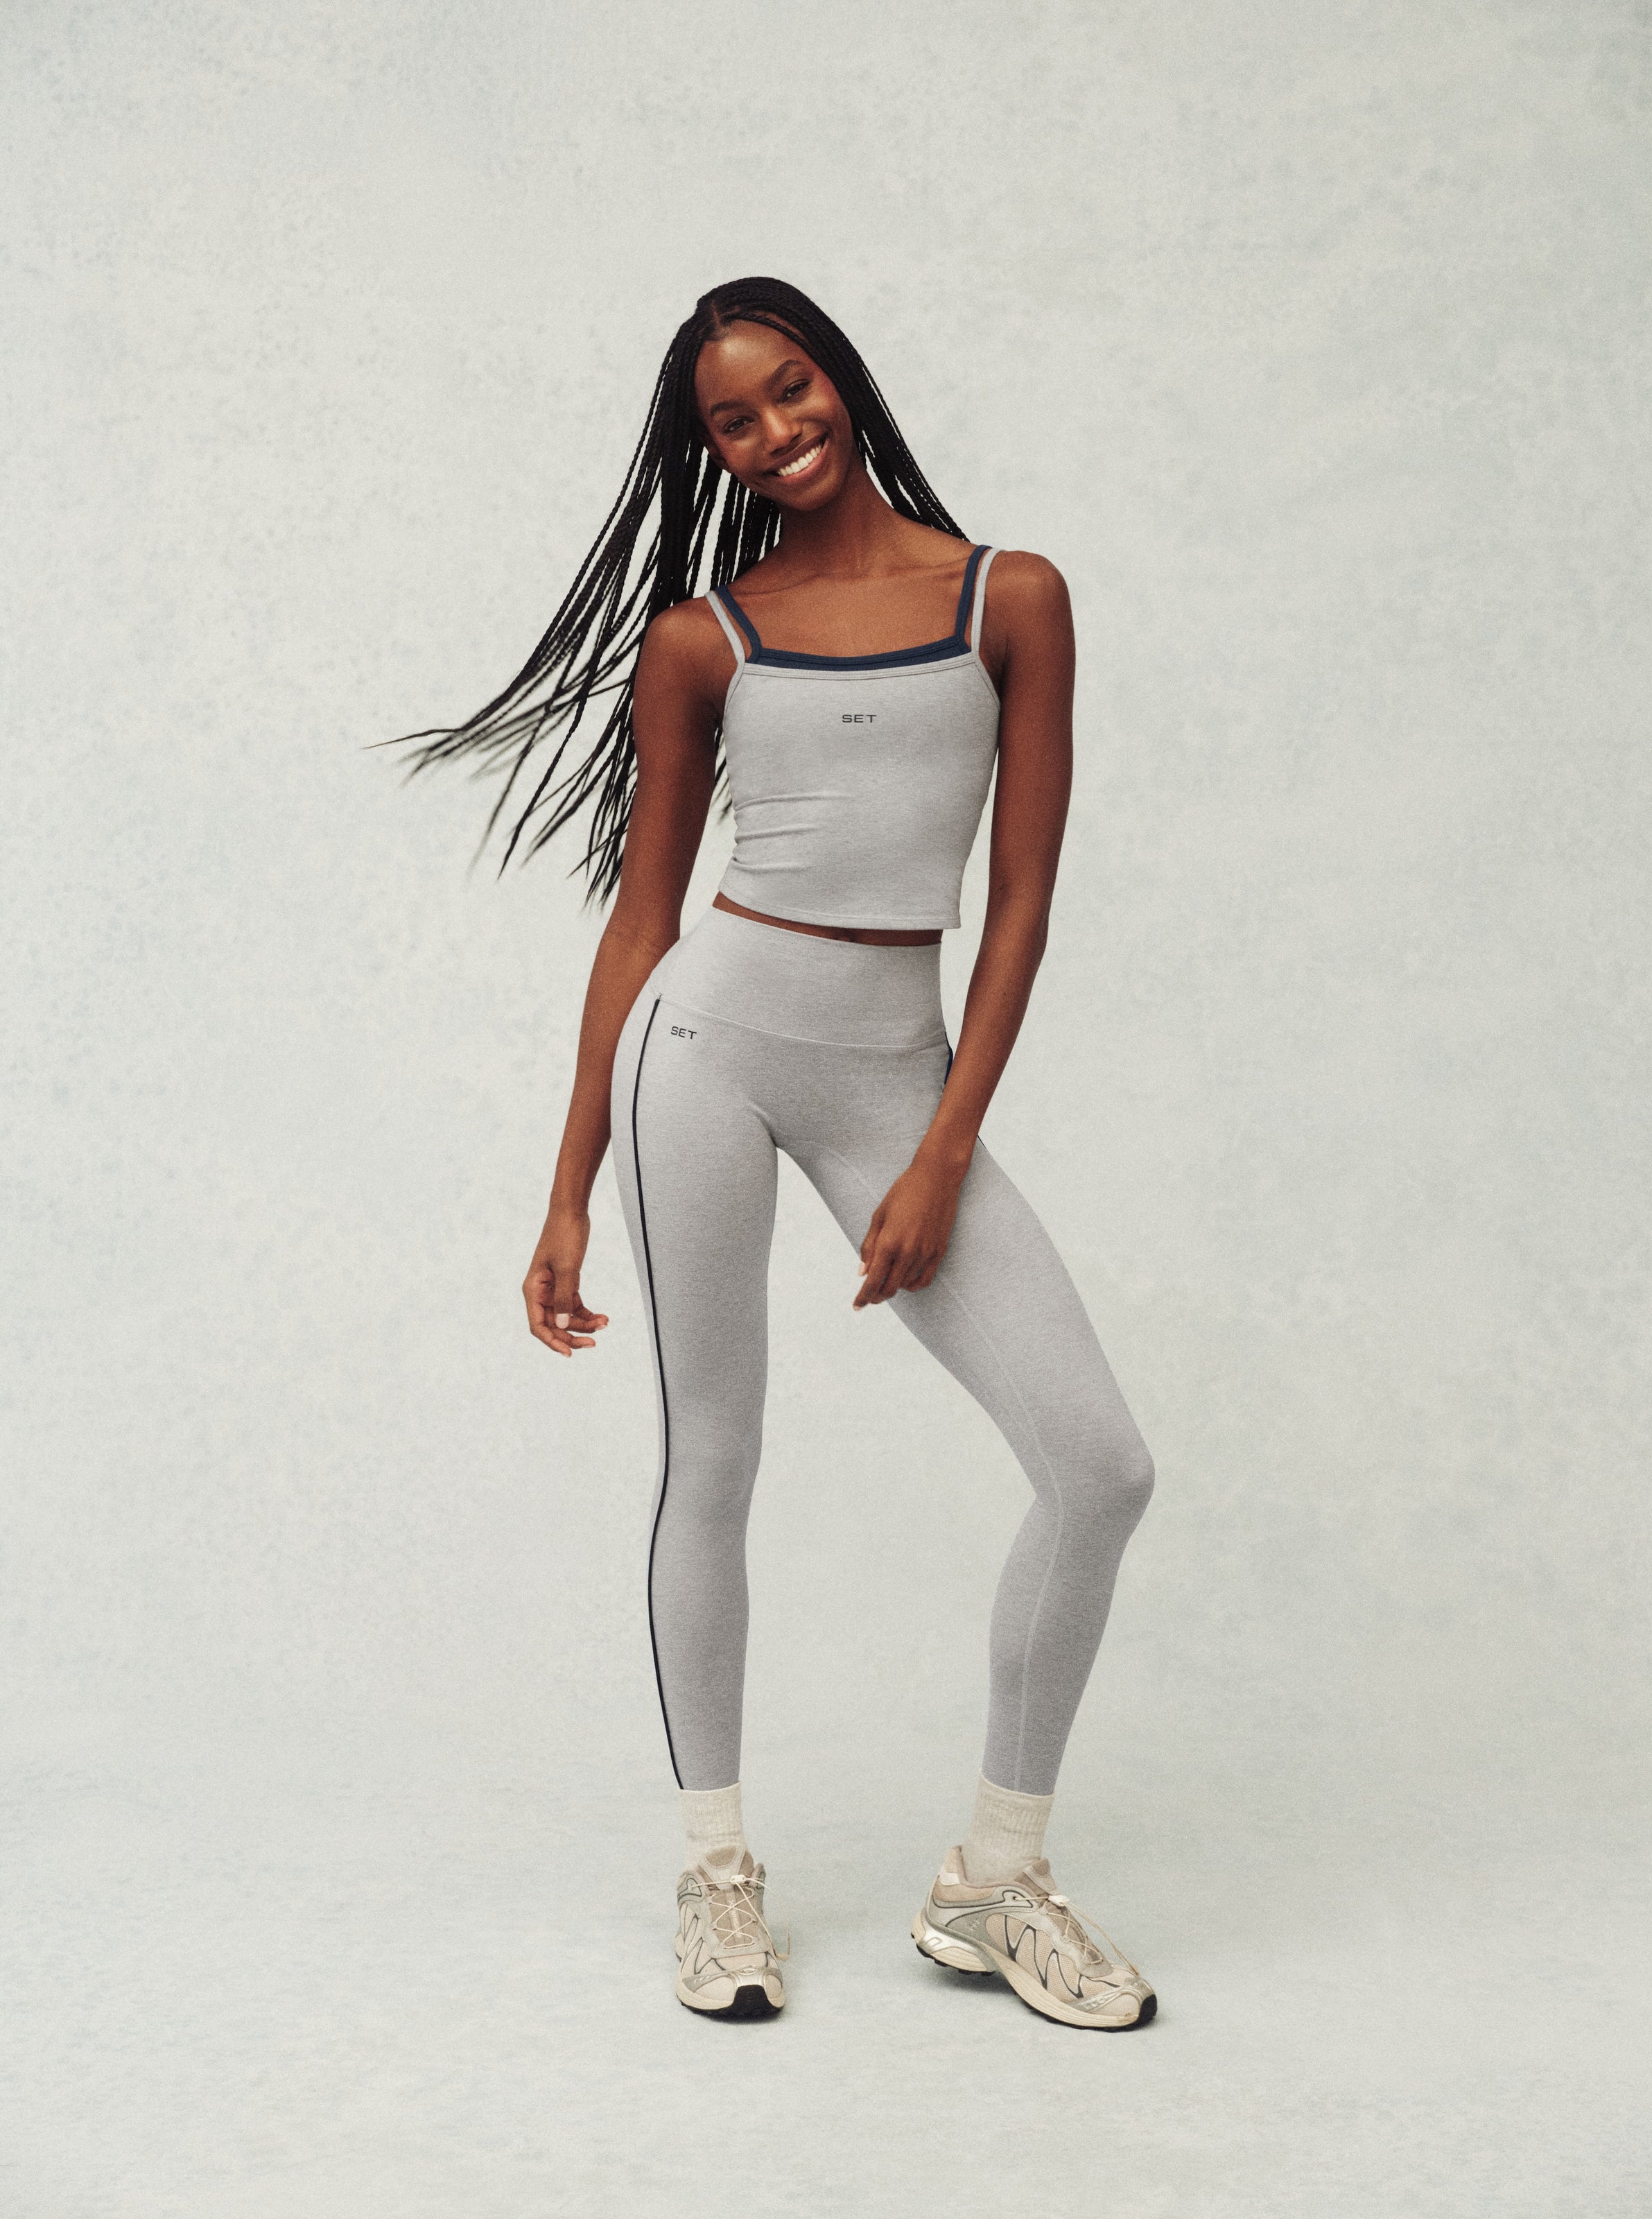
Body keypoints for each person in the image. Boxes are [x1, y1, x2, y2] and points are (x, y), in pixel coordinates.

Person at [397, 277, 1158, 2030]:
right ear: (711, 451)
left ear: (841, 377)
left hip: (900, 1078)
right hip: (707, 1052)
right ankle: (718, 1870)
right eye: (730, 421)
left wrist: (945, 1150)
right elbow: (641, 923)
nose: (774, 433)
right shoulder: (704, 639)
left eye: (790, 388)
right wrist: (568, 1184)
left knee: (1099, 1464)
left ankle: (994, 1882)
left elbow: (1021, 902)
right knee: (717, 1452)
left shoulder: (1011, 597)